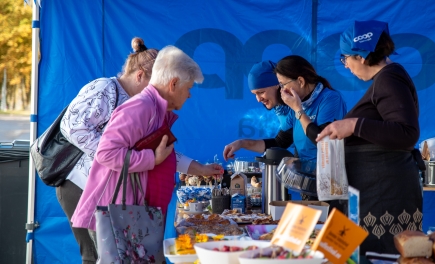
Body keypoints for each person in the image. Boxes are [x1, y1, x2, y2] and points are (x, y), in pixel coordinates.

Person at [71, 45, 220, 263]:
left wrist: (199, 169)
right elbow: (106, 153)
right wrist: (152, 159)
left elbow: (163, 153)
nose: (189, 95)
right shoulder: (140, 107)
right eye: (188, 88)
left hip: (135, 212)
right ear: (174, 83)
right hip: (121, 213)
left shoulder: (155, 109)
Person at [316, 20, 423, 254]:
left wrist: (354, 124)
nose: (345, 65)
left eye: (345, 58)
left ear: (361, 56)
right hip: (376, 192)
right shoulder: (386, 80)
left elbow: (407, 133)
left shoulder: (389, 79)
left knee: (380, 256)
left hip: (384, 196)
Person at [224, 57, 347, 162]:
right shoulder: (298, 105)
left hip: (330, 178)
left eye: (282, 85)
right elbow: (280, 142)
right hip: (308, 179)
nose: (282, 90)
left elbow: (324, 142)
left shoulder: (329, 99)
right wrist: (242, 143)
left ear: (300, 81)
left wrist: (298, 110)